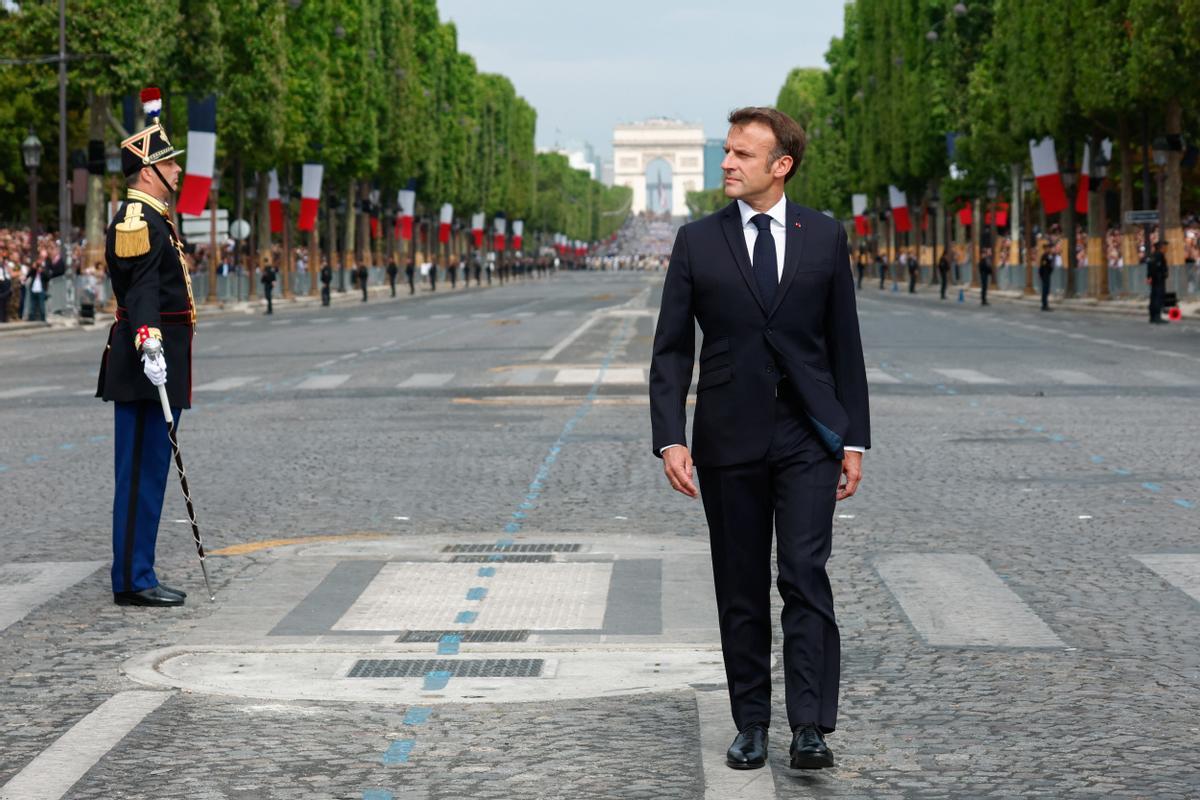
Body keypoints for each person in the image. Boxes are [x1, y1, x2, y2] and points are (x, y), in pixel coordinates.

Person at [650, 107, 869, 773]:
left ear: (782, 165)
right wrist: (670, 439)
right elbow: (669, 351)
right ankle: (751, 723)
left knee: (804, 576)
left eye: (743, 154)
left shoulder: (825, 236)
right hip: (726, 435)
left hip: (808, 433)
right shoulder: (695, 240)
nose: (727, 162)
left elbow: (844, 345)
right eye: (726, 152)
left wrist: (854, 439)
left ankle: (809, 727)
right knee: (739, 585)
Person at [95, 86, 195, 607]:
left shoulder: (154, 219)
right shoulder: (138, 221)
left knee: (149, 473)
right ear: (150, 171)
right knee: (139, 475)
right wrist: (150, 342)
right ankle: (134, 579)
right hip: (145, 365)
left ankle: (137, 571)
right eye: (170, 165)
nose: (178, 172)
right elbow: (141, 290)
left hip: (155, 363)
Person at [1147, 239, 1169, 324]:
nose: (1166, 249)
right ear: (1161, 247)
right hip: (1158, 280)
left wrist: (1149, 276)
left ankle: (1152, 317)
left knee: (1153, 298)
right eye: (1165, 247)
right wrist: (1163, 274)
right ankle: (1157, 317)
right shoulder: (1159, 255)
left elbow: (1149, 267)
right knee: (1157, 298)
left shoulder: (1153, 255)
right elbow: (1157, 268)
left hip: (1155, 280)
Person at [1038, 241, 1055, 311]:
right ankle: (1044, 305)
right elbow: (1043, 266)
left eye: (1049, 248)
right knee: (1045, 290)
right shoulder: (1044, 256)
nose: (1049, 249)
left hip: (1047, 274)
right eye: (1048, 248)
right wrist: (1041, 275)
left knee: (1046, 290)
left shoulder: (1048, 256)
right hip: (1045, 275)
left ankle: (1045, 304)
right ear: (1045, 249)